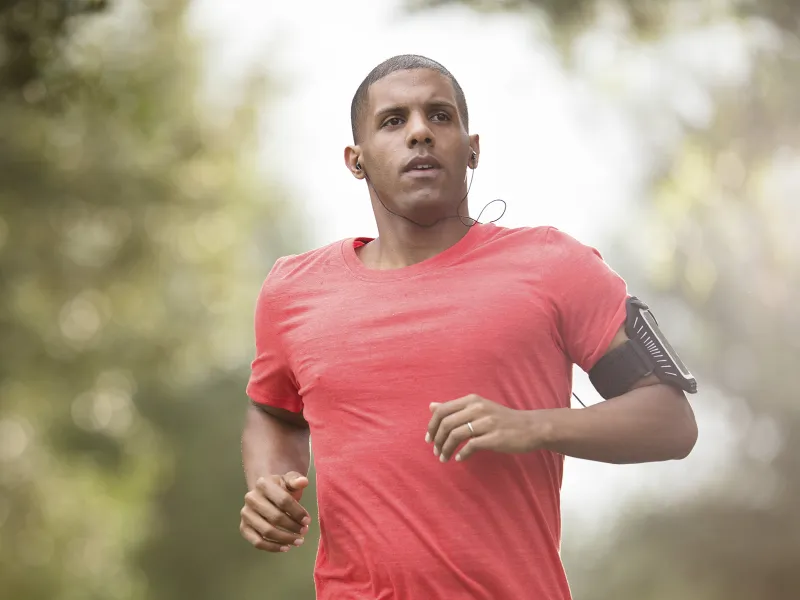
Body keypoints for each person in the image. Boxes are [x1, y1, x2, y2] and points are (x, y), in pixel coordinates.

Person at [239, 54, 698, 600]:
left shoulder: (555, 265)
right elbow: (275, 413)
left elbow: (672, 422)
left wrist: (532, 427)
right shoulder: (293, 290)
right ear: (355, 161)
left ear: (472, 148)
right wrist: (271, 485)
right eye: (393, 121)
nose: (418, 133)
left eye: (439, 116)